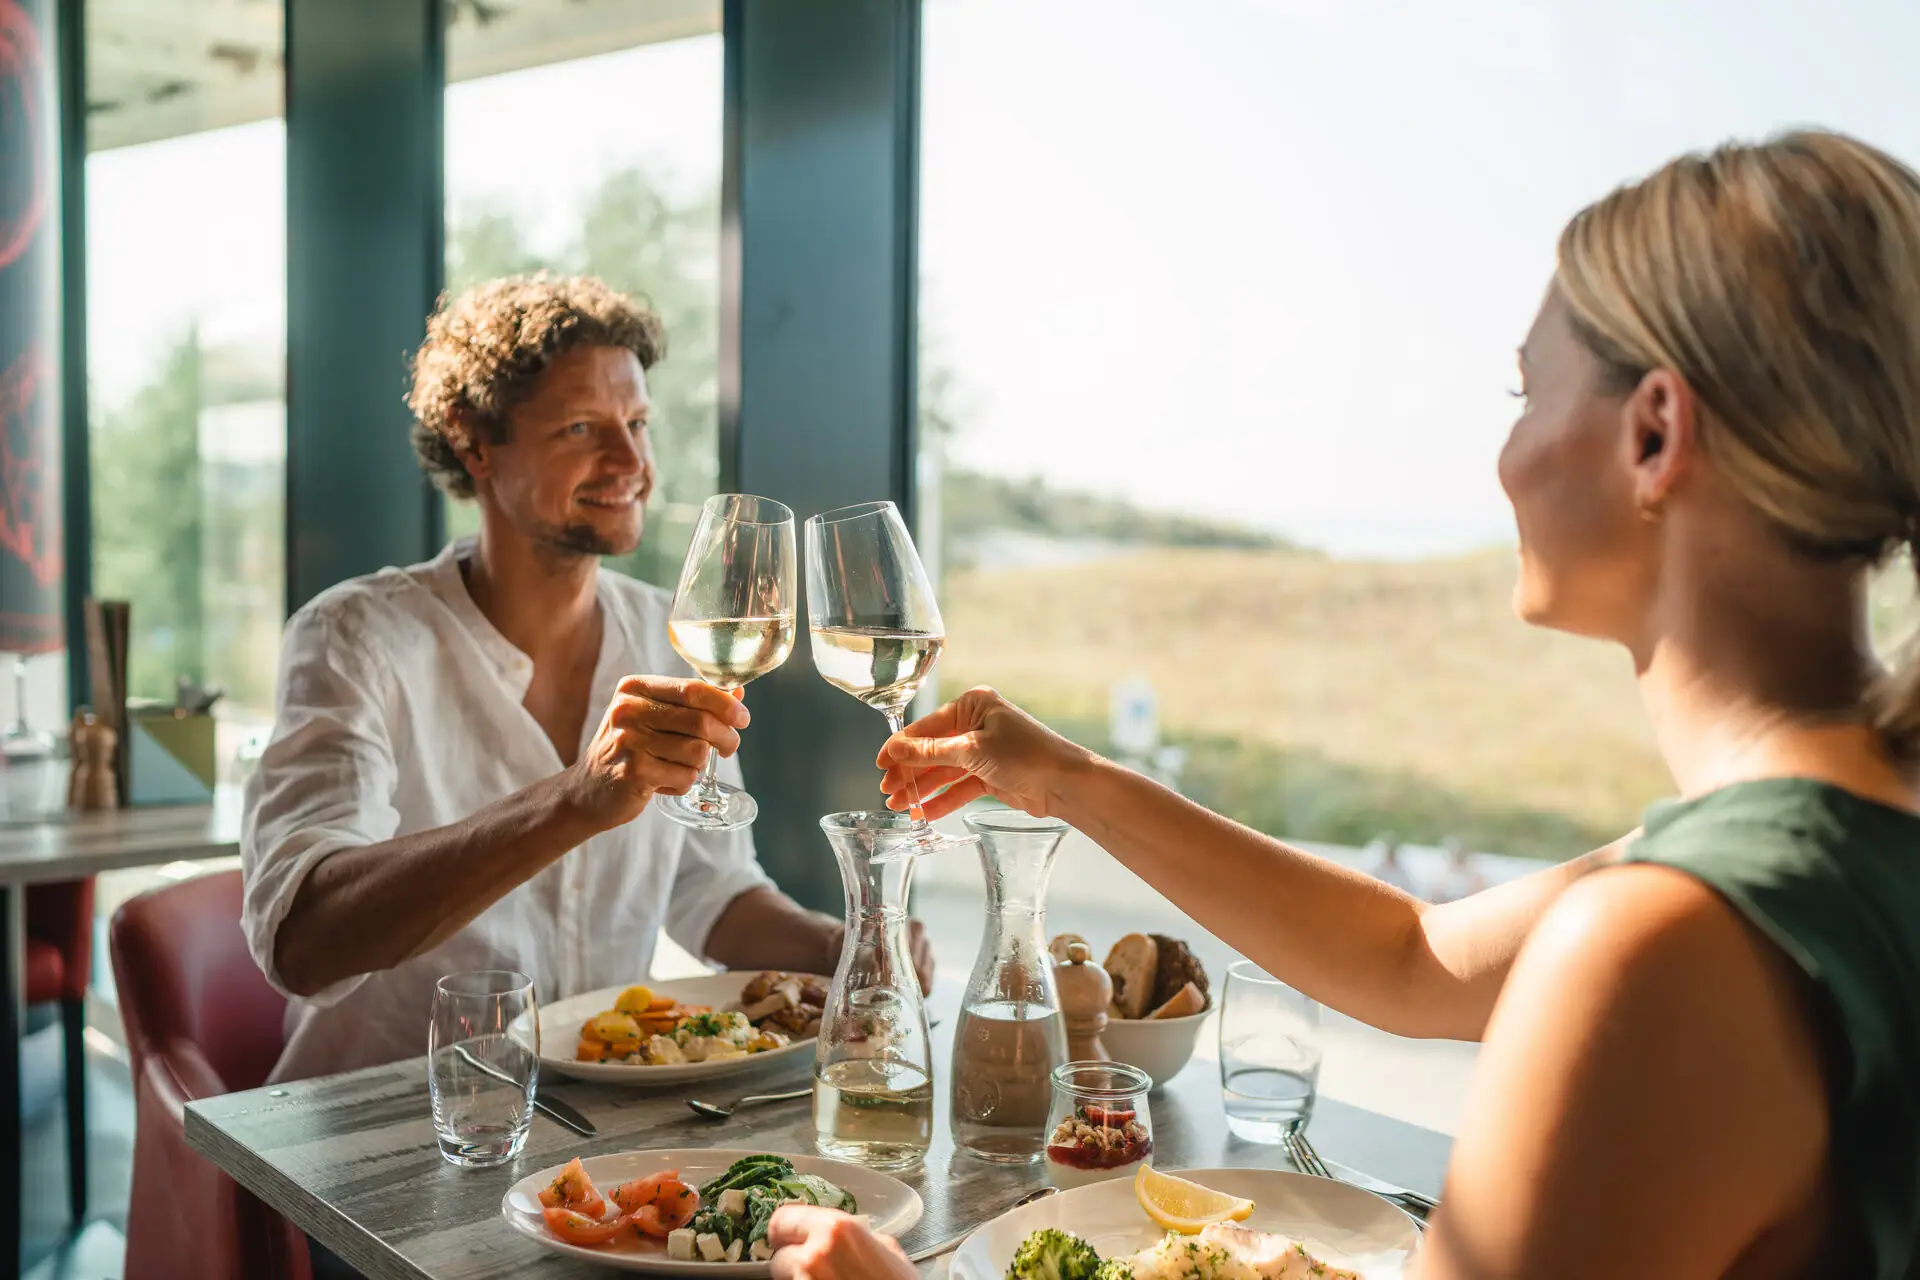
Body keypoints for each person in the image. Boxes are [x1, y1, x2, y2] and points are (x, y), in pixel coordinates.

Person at [778, 131, 1920, 1277]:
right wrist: (1067, 781)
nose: (1505, 453)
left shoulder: (1668, 941)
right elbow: (1413, 955)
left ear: (1655, 433)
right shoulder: (1831, 843)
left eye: (1526, 391)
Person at [241, 274, 932, 1088]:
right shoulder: (354, 637)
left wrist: (844, 946)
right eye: (582, 428)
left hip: (592, 1126)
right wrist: (573, 799)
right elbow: (305, 940)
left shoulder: (670, 638)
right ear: (474, 444)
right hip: (379, 1131)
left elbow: (712, 893)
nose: (631, 461)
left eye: (637, 424)